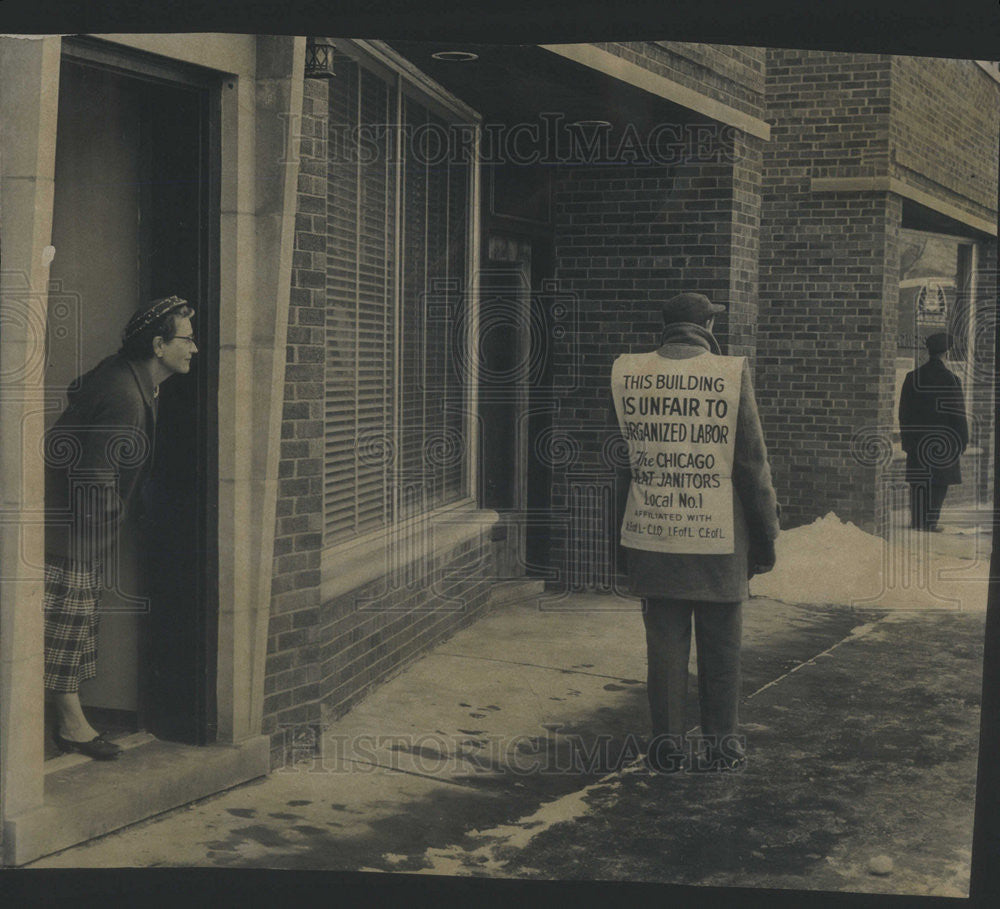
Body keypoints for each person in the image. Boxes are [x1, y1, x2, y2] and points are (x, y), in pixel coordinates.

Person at [610, 292, 780, 773]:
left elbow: (622, 467)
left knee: (664, 649)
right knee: (721, 648)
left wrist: (619, 545)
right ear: (707, 324)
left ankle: (666, 748)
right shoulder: (730, 373)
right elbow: (752, 467)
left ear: (664, 328)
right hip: (717, 541)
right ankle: (722, 747)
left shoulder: (630, 374)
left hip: (653, 533)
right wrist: (766, 538)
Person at [43, 295, 198, 760]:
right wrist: (111, 527)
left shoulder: (128, 378)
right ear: (158, 345)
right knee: (62, 633)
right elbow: (94, 480)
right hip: (69, 537)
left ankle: (70, 722)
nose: (195, 348)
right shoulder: (125, 396)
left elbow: (77, 393)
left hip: (72, 535)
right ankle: (70, 726)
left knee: (68, 632)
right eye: (187, 339)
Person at [897, 333, 969, 533]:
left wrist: (907, 441)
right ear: (947, 353)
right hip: (943, 443)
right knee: (939, 483)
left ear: (929, 352)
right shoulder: (952, 380)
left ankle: (917, 522)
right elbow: (958, 414)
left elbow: (904, 413)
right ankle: (930, 523)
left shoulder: (912, 377)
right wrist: (963, 440)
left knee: (919, 481)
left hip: (917, 441)